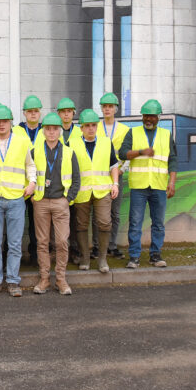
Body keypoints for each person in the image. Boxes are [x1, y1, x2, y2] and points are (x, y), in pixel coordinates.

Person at [0, 105, 37, 297]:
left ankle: (12, 281)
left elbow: (30, 165)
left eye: (4, 121)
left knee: (15, 243)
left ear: (10, 122)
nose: (1, 125)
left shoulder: (21, 142)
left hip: (16, 198)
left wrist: (32, 183)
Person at [119, 99, 177, 268]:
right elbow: (122, 153)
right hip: (139, 186)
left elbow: (173, 160)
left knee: (158, 223)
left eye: (152, 116)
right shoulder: (133, 133)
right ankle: (134, 256)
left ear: (158, 117)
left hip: (158, 186)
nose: (148, 119)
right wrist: (140, 152)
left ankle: (155, 255)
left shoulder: (166, 135)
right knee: (135, 222)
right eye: (145, 116)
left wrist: (172, 182)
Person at [30, 113, 80, 295]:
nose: (51, 132)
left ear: (60, 131)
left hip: (61, 202)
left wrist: (68, 200)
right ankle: (44, 279)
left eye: (55, 129)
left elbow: (76, 179)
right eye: (48, 129)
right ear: (43, 131)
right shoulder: (35, 152)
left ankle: (60, 279)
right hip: (41, 202)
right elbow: (28, 175)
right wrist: (33, 198)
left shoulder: (68, 152)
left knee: (61, 242)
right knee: (42, 242)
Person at [72, 109, 120, 273]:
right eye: (87, 126)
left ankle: (102, 259)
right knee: (81, 225)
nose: (91, 128)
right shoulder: (72, 144)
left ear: (97, 126)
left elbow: (113, 165)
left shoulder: (106, 142)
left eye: (94, 125)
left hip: (102, 190)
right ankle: (85, 257)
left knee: (105, 223)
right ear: (81, 128)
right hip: (81, 192)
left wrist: (115, 184)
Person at [94, 92, 130, 259]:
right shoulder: (95, 127)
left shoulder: (124, 129)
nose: (107, 109)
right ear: (101, 108)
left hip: (117, 176)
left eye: (110, 106)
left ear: (115, 108)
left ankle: (112, 246)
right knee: (98, 213)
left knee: (114, 214)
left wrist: (123, 169)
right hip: (99, 177)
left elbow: (128, 152)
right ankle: (97, 246)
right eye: (104, 106)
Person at [13, 94, 43, 267]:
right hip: (17, 186)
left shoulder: (46, 130)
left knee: (36, 224)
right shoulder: (16, 131)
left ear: (40, 113)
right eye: (30, 111)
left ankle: (34, 256)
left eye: (36, 111)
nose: (33, 114)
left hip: (37, 186)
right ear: (24, 113)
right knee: (15, 224)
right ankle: (12, 257)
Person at [57, 97, 81, 263]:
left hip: (75, 183)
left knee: (75, 220)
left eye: (69, 111)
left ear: (73, 113)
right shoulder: (53, 131)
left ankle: (75, 251)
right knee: (58, 222)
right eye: (63, 112)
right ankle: (58, 252)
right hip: (58, 184)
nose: (66, 115)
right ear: (58, 114)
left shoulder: (80, 132)